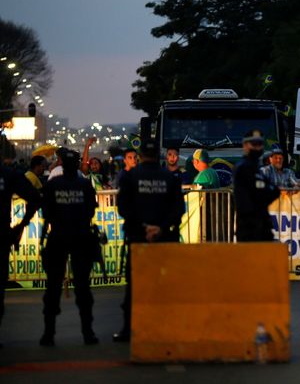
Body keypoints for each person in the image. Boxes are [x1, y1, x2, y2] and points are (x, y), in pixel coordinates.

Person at [113, 140, 184, 342]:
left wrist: (144, 227)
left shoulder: (130, 177)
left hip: (137, 237)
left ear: (141, 155)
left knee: (134, 285)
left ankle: (128, 329)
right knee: (166, 284)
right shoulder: (170, 177)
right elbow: (178, 209)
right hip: (165, 238)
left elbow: (124, 208)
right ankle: (169, 326)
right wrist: (160, 227)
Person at [39, 149, 99, 346]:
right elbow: (91, 209)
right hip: (81, 237)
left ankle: (49, 334)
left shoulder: (53, 184)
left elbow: (46, 211)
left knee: (53, 287)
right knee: (83, 287)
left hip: (58, 237)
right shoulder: (84, 185)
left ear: (62, 165)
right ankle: (88, 333)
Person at [1, 162, 41, 347]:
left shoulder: (8, 174)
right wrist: (21, 226)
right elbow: (35, 198)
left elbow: (35, 198)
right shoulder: (8, 173)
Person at [233, 130, 280, 242]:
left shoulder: (257, 168)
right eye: (254, 144)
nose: (258, 148)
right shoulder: (243, 167)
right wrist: (265, 193)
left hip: (262, 225)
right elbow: (257, 195)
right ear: (245, 145)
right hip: (249, 227)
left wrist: (265, 192)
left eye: (260, 144)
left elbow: (273, 192)